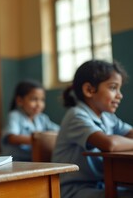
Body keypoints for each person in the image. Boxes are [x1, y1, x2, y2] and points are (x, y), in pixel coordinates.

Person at [52, 60, 133, 198]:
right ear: (89, 90)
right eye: (113, 88)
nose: (120, 95)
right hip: (75, 191)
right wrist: (117, 141)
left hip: (101, 184)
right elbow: (109, 144)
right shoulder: (76, 116)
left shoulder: (108, 117)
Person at [0, 79, 59, 161]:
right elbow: (11, 137)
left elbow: (59, 131)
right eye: (34, 99)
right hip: (17, 162)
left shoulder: (42, 118)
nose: (39, 104)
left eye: (42, 100)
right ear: (19, 101)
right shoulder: (14, 116)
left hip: (35, 159)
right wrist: (37, 140)